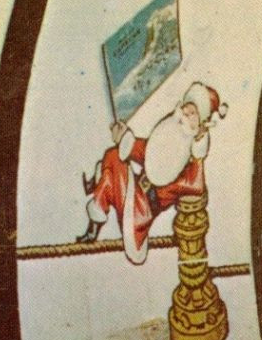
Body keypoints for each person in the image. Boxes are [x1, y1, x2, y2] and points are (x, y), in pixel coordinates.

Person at [80, 82, 228, 264]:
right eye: (185, 109)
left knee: (113, 162)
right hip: (133, 194)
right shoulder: (167, 138)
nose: (185, 115)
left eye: (192, 115)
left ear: (200, 125)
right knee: (113, 155)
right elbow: (140, 149)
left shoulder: (186, 163)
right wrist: (123, 136)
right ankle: (94, 222)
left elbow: (196, 185)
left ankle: (96, 206)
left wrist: (198, 152)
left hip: (140, 212)